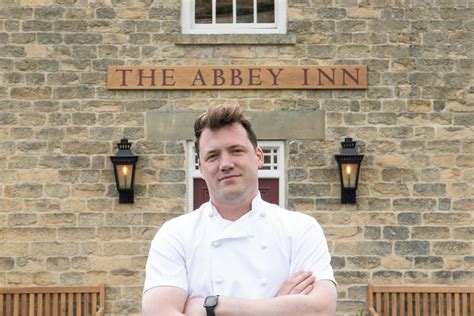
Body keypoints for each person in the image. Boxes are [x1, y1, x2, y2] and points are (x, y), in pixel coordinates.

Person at [143, 103, 337, 316]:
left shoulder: (300, 229)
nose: (225, 163)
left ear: (259, 156)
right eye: (213, 156)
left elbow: (321, 309)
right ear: (201, 167)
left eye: (236, 151)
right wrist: (279, 308)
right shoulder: (175, 235)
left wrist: (211, 306)